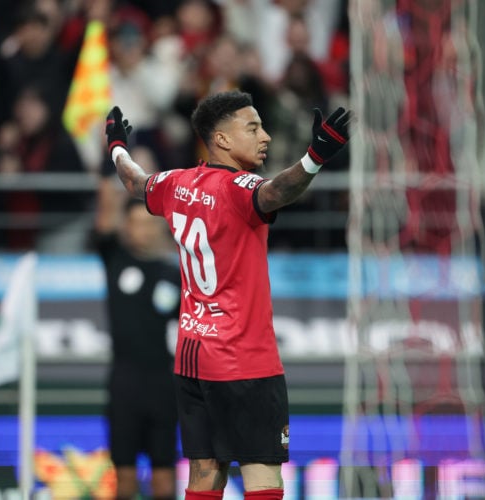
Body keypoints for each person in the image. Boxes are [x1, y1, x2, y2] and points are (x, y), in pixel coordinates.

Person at [104, 90, 352, 499]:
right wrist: (314, 158)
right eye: (253, 128)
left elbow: (133, 180)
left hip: (192, 357)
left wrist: (115, 147)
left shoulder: (175, 183)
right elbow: (275, 193)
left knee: (204, 474)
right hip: (245, 360)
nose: (266, 136)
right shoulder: (239, 189)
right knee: (262, 478)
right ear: (220, 139)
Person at [95, 149, 182, 500]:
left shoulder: (174, 275)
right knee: (125, 479)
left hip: (164, 384)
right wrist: (115, 153)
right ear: (126, 227)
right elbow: (104, 215)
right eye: (135, 223)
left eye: (149, 223)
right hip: (124, 383)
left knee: (163, 479)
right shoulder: (115, 260)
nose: (142, 230)